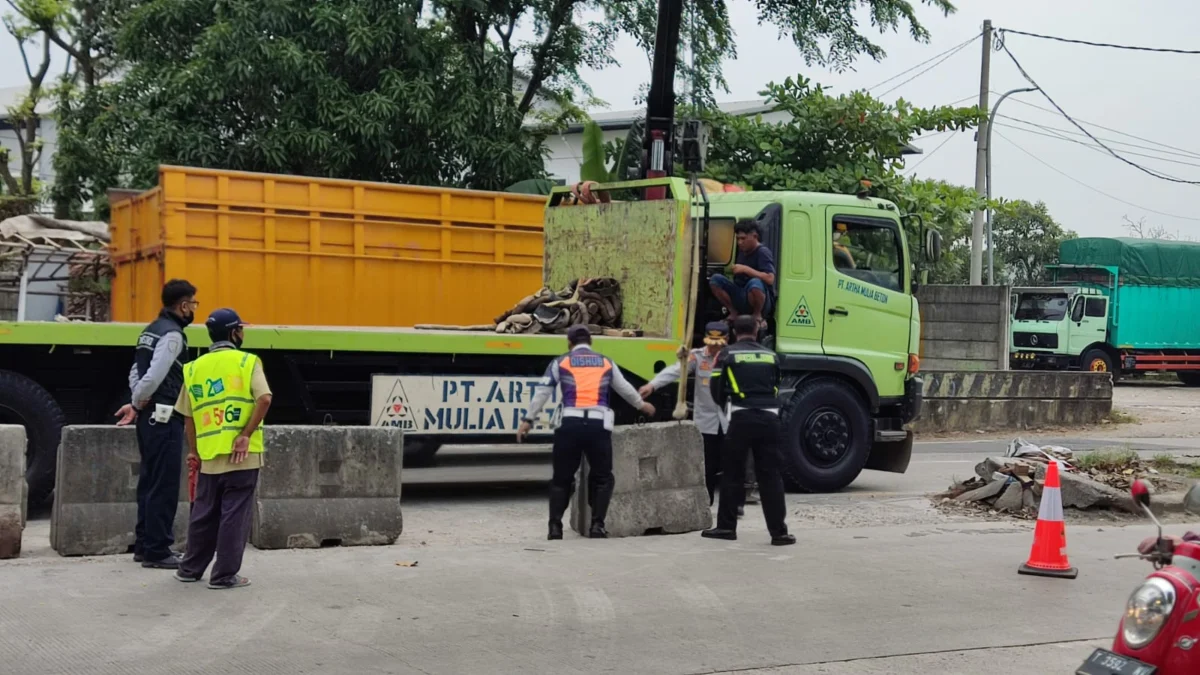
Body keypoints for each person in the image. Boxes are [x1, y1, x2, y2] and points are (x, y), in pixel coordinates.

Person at [517, 325, 655, 540]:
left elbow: (542, 393)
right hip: (598, 427)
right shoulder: (605, 362)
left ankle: (555, 528)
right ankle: (597, 526)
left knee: (562, 478)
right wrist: (641, 405)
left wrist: (528, 420)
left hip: (569, 425)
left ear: (569, 342)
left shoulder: (561, 362)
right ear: (590, 342)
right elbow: (625, 388)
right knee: (602, 477)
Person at [173, 308, 272, 589]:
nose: (243, 333)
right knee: (234, 516)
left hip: (208, 456)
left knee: (204, 513)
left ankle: (189, 569)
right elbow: (264, 398)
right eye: (241, 329)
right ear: (233, 333)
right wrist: (245, 435)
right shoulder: (247, 362)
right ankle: (224, 575)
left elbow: (188, 416)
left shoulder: (193, 368)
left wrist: (193, 451)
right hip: (242, 457)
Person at [114, 279, 198, 569]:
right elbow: (155, 374)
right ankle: (158, 550)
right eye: (194, 304)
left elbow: (136, 371)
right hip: (165, 416)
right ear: (183, 305)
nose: (195, 309)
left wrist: (137, 400)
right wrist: (138, 402)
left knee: (149, 481)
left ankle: (144, 545)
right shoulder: (173, 335)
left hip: (150, 418)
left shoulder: (150, 330)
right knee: (163, 484)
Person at [702, 315, 795, 546]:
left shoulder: (727, 354)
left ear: (734, 332)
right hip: (770, 419)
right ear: (756, 331)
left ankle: (726, 528)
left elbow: (716, 386)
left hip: (741, 417)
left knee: (732, 473)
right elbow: (777, 384)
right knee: (770, 476)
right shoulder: (771, 356)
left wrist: (726, 406)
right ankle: (779, 533)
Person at [638, 322, 730, 505]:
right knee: (708, 464)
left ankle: (731, 505)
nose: (713, 347)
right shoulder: (697, 357)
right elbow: (674, 371)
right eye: (711, 343)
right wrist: (652, 385)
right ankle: (706, 501)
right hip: (707, 421)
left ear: (726, 340)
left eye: (718, 343)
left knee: (730, 464)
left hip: (729, 421)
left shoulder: (732, 358)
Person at [709, 219, 776, 332]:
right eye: (738, 239)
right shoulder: (742, 251)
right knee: (715, 280)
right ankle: (733, 312)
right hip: (741, 294)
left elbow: (770, 279)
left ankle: (757, 315)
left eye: (743, 239)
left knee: (755, 283)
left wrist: (746, 269)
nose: (740, 242)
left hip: (759, 298)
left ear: (754, 236)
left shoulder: (763, 252)